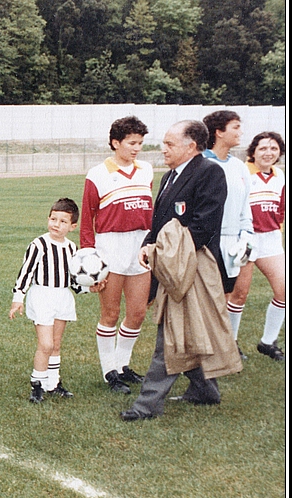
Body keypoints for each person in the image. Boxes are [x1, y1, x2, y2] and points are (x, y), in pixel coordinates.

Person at [121, 120, 232, 421]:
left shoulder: (210, 173)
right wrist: (149, 243)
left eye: (169, 144)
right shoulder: (170, 176)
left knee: (169, 336)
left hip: (192, 268)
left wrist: (160, 252)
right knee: (186, 330)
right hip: (172, 265)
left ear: (191, 147)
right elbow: (159, 222)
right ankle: (205, 390)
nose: (162, 148)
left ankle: (146, 406)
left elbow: (204, 226)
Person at [80, 116, 154, 394]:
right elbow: (88, 219)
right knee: (110, 314)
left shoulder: (146, 169)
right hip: (110, 248)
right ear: (115, 143)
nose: (137, 148)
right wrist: (89, 256)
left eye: (140, 143)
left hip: (139, 247)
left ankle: (123, 365)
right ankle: (109, 371)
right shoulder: (97, 173)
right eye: (131, 143)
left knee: (137, 313)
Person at [10, 198, 98, 403]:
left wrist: (88, 287)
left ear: (72, 226)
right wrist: (18, 298)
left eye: (63, 221)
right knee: (46, 344)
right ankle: (37, 383)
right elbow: (26, 272)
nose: (56, 224)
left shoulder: (71, 248)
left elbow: (74, 279)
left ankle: (53, 383)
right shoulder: (39, 244)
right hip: (42, 296)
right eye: (53, 219)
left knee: (56, 344)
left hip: (62, 297)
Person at [202, 110, 255, 355]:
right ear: (219, 132)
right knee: (206, 301)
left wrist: (247, 237)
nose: (240, 132)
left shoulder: (239, 167)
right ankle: (201, 353)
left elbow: (245, 206)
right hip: (206, 243)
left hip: (233, 242)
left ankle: (222, 347)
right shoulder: (201, 164)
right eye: (235, 127)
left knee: (226, 297)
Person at [229, 131, 286, 362]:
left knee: (284, 291)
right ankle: (230, 343)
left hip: (270, 238)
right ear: (252, 152)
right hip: (245, 239)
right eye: (263, 148)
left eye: (274, 149)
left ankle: (267, 341)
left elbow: (280, 209)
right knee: (239, 294)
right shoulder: (241, 172)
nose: (268, 153)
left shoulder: (280, 175)